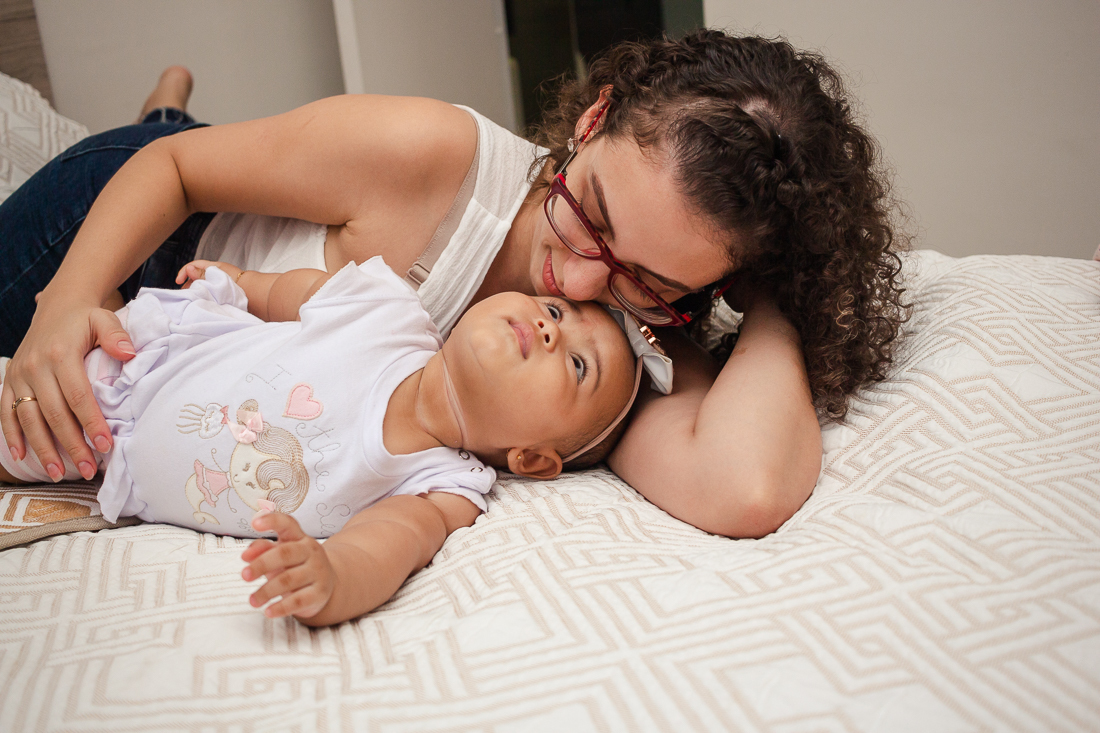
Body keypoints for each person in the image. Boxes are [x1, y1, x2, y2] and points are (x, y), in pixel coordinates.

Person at [0, 29, 907, 540]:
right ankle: (163, 108)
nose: (583, 278)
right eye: (591, 210)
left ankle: (172, 98)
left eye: (647, 275)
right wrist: (62, 305)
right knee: (177, 141)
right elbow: (176, 173)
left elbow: (743, 485)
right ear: (592, 120)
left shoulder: (624, 353)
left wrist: (784, 287)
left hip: (216, 301)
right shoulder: (430, 156)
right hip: (154, 233)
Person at [0, 255, 651, 624]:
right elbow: (294, 292)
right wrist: (237, 282)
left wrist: (332, 576)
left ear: (532, 458)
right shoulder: (389, 309)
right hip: (135, 363)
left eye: (576, 364)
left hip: (106, 457)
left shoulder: (441, 485)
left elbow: (385, 548)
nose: (548, 328)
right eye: (559, 312)